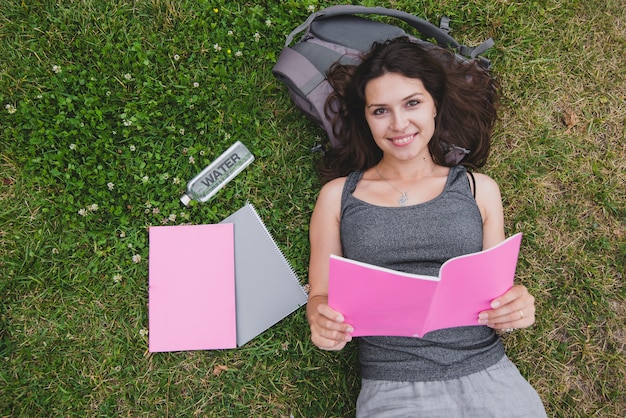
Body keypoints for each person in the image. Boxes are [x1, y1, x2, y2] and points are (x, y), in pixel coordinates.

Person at [306, 37, 547, 417]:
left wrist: (515, 308)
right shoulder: (337, 197)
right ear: (365, 118)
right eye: (380, 110)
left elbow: (498, 297)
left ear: (435, 104)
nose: (399, 124)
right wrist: (322, 321)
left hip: (490, 375)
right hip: (394, 388)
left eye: (412, 103)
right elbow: (320, 295)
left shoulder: (478, 189)